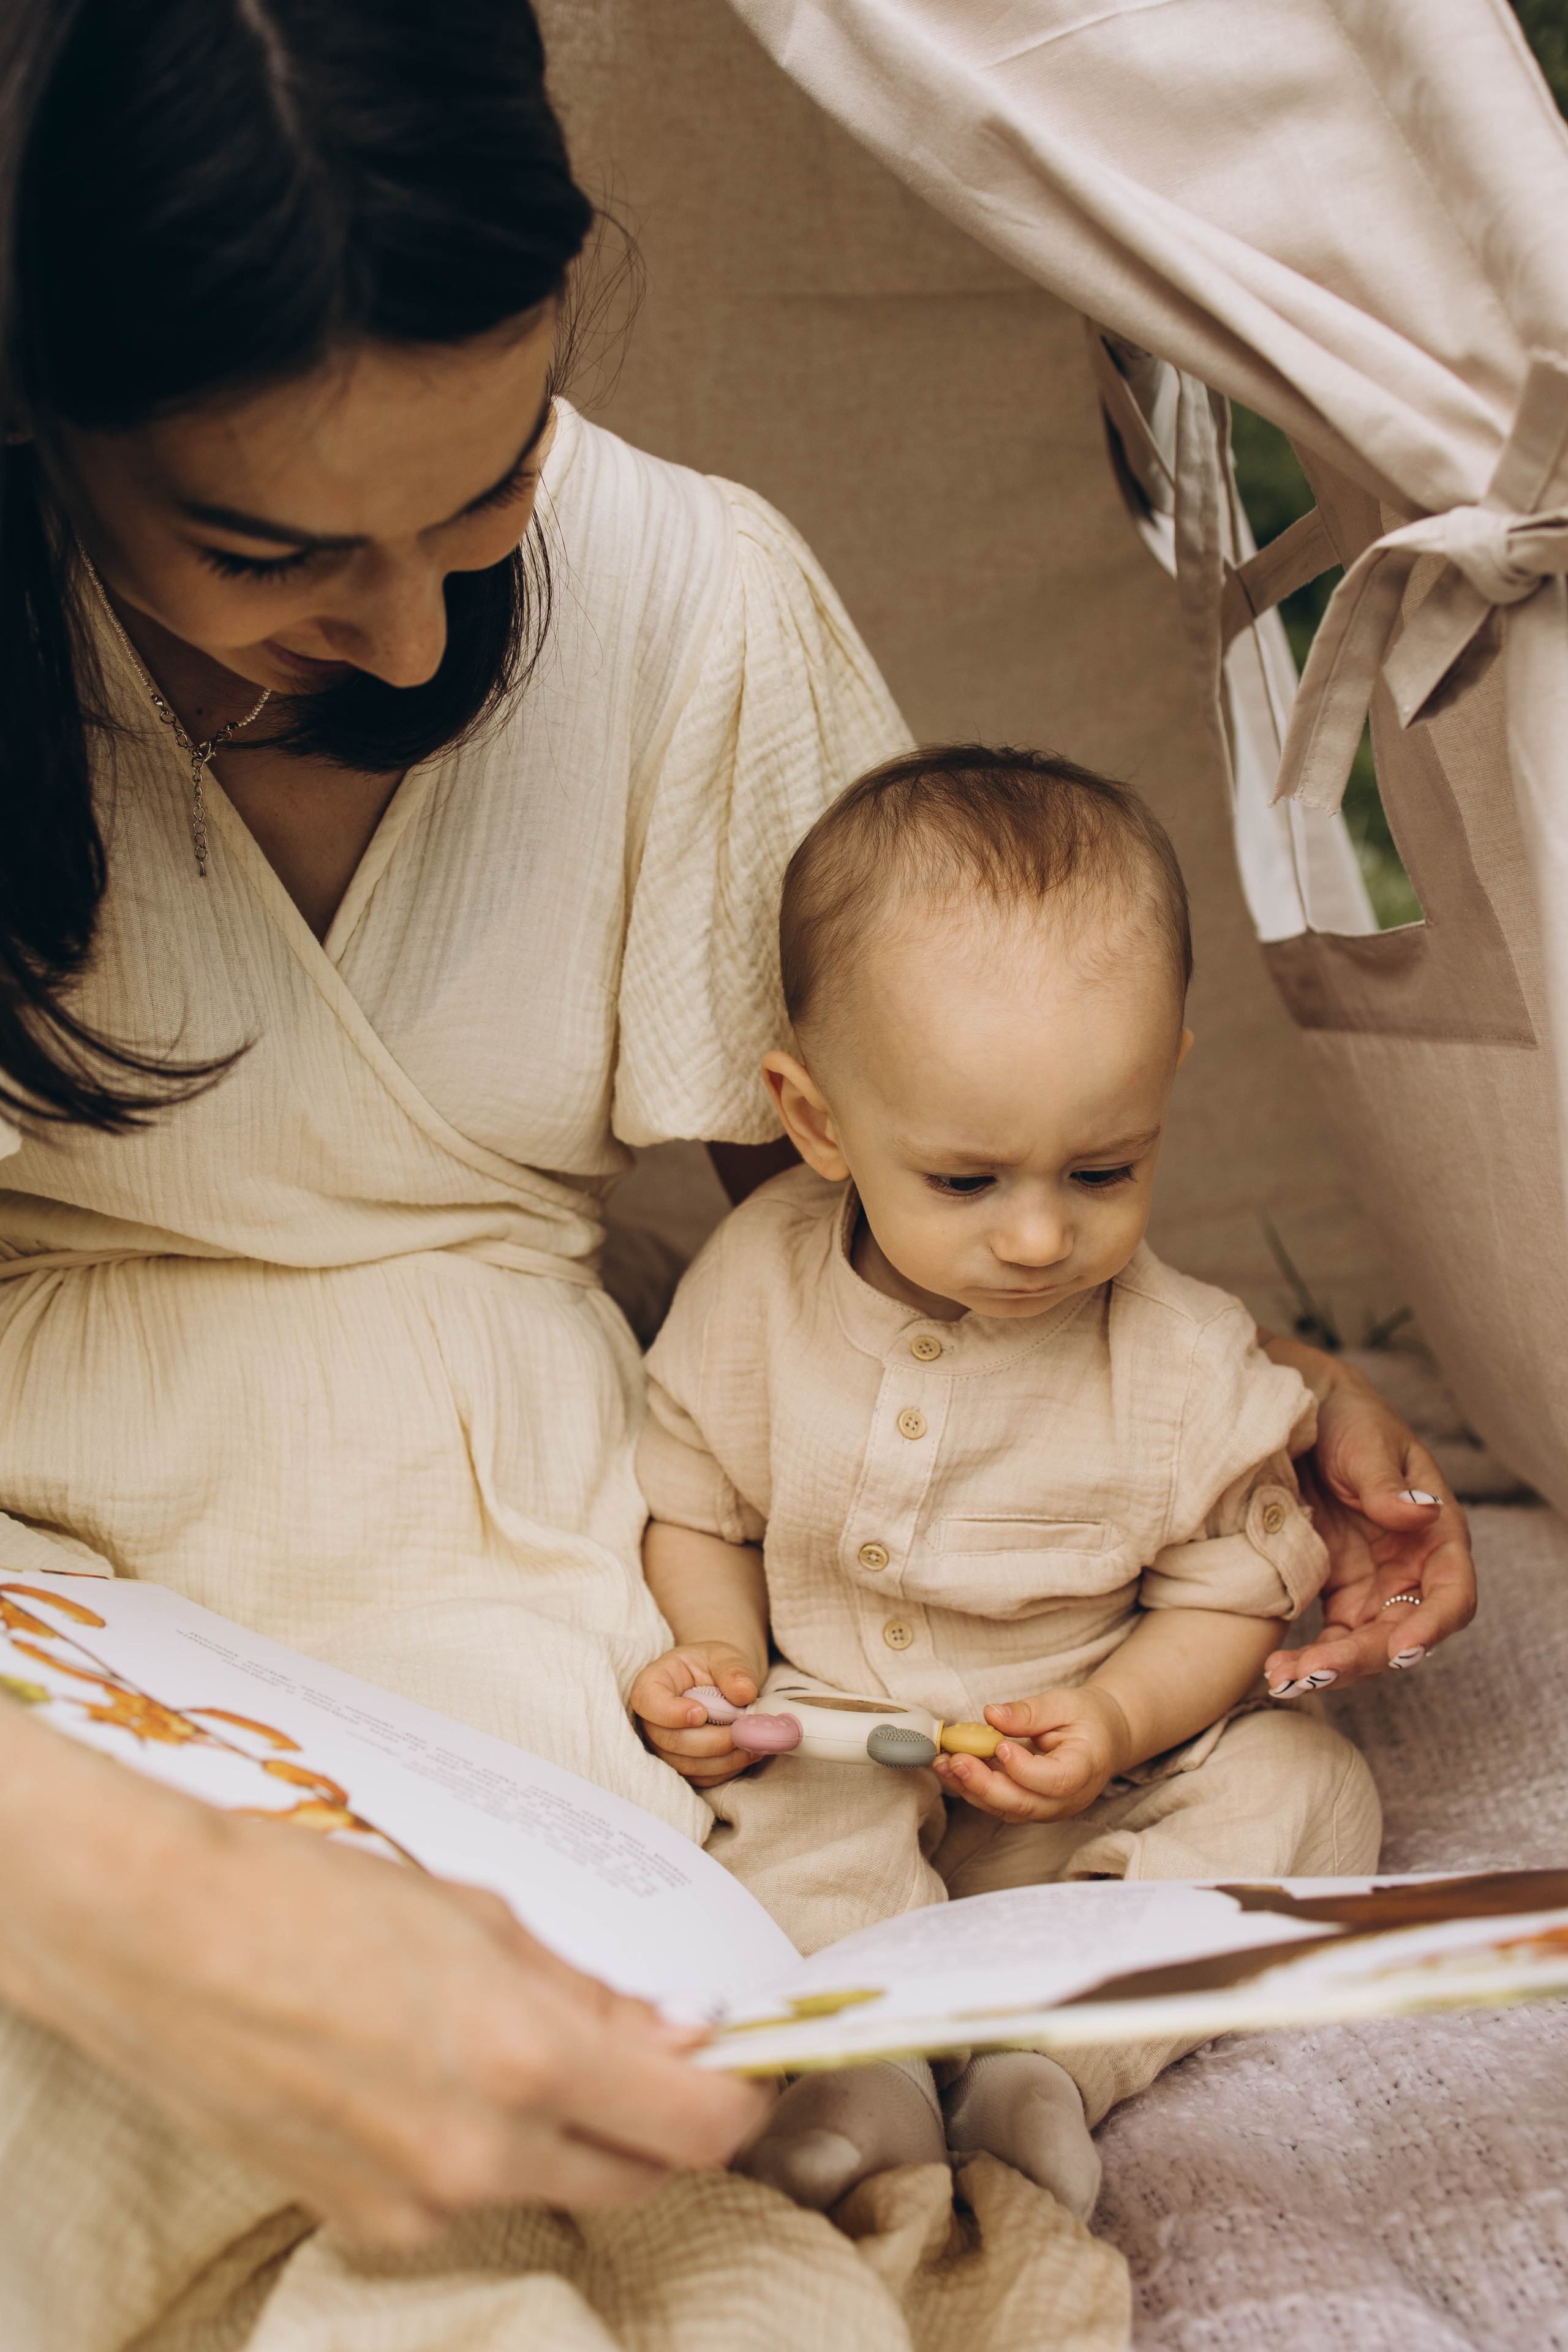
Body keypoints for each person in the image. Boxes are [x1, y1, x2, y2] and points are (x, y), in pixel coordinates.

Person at [0, 0, 1469, 2333]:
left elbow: (958, 1142)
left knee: (552, 2113)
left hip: (489, 1531)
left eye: (482, 502)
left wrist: (1248, 1379)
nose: (403, 633)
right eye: (268, 548)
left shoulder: (683, 591)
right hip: (41, 1538)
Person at [630, 747, 1384, 2215]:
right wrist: (713, 1656)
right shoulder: (756, 1288)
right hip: (839, 1748)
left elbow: (1227, 1600)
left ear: (1163, 1074)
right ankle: (872, 2067)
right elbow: (694, 1503)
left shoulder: (1178, 1362)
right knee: (766, 1838)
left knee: (1308, 1793)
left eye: (1100, 1172)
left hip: (1082, 1784)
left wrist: (1113, 1720)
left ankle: (1055, 2057)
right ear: (816, 1119)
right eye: (967, 1183)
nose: (1039, 1239)